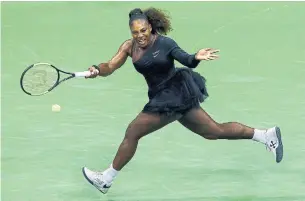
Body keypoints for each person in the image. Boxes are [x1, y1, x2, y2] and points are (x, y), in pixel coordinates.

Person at [82, 7, 284, 194]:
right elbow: (110, 65)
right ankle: (265, 135)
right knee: (213, 131)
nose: (140, 35)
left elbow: (186, 59)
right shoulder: (129, 47)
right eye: (135, 32)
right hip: (168, 97)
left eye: (143, 30)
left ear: (150, 27)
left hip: (173, 93)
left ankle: (106, 178)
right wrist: (97, 70)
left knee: (133, 132)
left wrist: (196, 56)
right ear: (130, 32)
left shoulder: (165, 43)